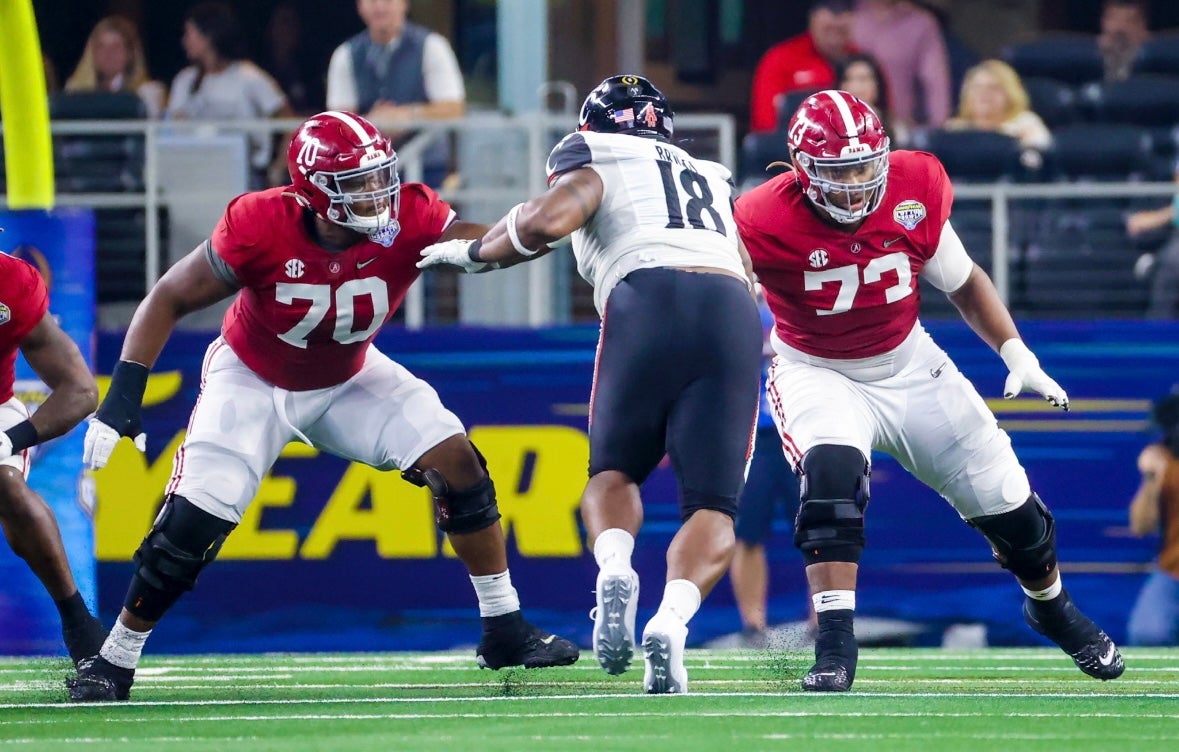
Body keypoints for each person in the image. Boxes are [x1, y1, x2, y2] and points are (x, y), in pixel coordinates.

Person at [64, 110, 578, 703]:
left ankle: (504, 628)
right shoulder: (259, 223)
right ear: (314, 191)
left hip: (349, 374)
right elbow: (169, 297)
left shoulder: (410, 215)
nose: (378, 193)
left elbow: (484, 242)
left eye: (380, 176)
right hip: (252, 379)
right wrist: (123, 397)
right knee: (192, 522)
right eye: (358, 182)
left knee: (459, 463)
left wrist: (536, 230)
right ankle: (115, 658)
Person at [735, 89, 1125, 691]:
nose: (855, 184)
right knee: (832, 480)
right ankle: (834, 646)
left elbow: (963, 282)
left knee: (1013, 507)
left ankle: (1051, 607)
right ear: (802, 170)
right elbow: (720, 292)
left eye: (864, 166)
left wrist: (1017, 352)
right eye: (839, 171)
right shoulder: (761, 216)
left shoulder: (913, 186)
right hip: (817, 368)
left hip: (909, 361)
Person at [417, 75, 763, 694]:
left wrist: (473, 254)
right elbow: (747, 270)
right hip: (731, 309)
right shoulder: (710, 174)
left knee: (612, 474)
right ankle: (672, 623)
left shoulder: (597, 151)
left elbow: (547, 222)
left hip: (646, 294)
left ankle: (615, 566)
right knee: (714, 508)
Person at [0, 241, 106, 667]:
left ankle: (80, 627)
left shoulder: (12, 283)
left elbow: (80, 390)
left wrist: (11, 440)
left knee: (5, 483)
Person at [728, 296, 803, 647]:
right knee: (748, 532)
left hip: (803, 429)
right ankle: (752, 626)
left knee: (821, 531)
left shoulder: (803, 299)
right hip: (755, 434)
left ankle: (825, 622)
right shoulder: (736, 306)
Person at [165, 2, 294, 186]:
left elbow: (289, 124)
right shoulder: (185, 81)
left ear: (208, 35)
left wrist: (278, 169)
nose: (184, 41)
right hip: (194, 178)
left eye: (189, 33)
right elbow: (173, 130)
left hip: (244, 178)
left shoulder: (249, 77)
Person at [326, 0, 466, 124]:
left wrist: (409, 115)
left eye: (388, 1)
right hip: (368, 144)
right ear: (360, 6)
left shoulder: (432, 46)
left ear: (404, 3)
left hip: (424, 145)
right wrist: (373, 123)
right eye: (372, 1)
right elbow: (338, 121)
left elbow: (454, 109)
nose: (380, 7)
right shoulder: (345, 54)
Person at [749, 0, 857, 133]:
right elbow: (765, 124)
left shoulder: (862, 62)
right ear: (813, 21)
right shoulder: (781, 59)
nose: (834, 40)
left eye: (840, 31)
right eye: (828, 30)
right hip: (791, 141)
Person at [1126, 391, 1179, 645]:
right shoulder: (1166, 461)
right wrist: (1151, 478)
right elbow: (1141, 526)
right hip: (1173, 571)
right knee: (1148, 634)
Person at [852, 0, 951, 130]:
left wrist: (939, 129)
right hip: (842, 123)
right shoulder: (848, 15)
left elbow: (935, 81)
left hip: (898, 127)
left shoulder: (921, 23)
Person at [64, 16, 167, 118]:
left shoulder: (147, 93)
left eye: (116, 47)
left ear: (130, 54)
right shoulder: (73, 91)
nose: (108, 54)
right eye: (101, 47)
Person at [945, 60, 1052, 153]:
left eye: (993, 88)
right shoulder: (954, 130)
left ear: (1010, 94)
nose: (984, 94)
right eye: (977, 88)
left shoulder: (1026, 125)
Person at [1126, 164, 1179, 319]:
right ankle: (1158, 326)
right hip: (1163, 253)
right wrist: (1173, 211)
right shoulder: (1161, 195)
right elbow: (1135, 224)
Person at [837, 53, 905, 146]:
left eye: (863, 79)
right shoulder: (830, 126)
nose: (855, 86)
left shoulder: (896, 129)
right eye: (848, 79)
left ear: (877, 85)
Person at [1099, 0, 1151, 82]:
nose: (1120, 27)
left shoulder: (1156, 62)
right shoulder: (1086, 58)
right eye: (1113, 19)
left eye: (1130, 21)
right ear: (1103, 23)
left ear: (1143, 29)